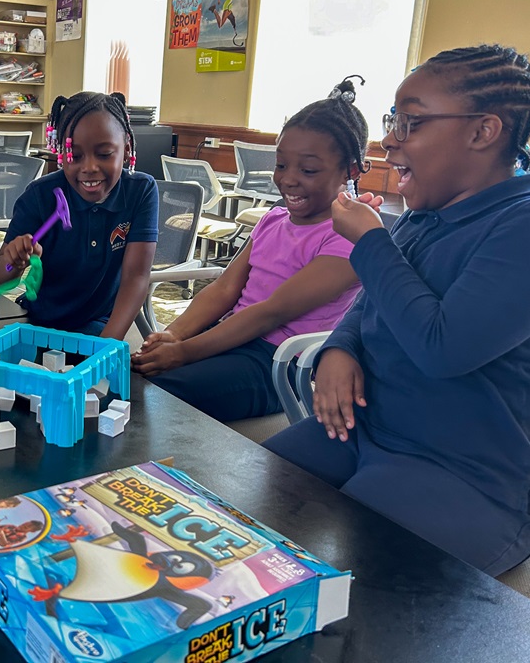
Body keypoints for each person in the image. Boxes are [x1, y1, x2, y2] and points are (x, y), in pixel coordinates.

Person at [264, 44, 530, 577]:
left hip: (471, 474)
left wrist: (370, 243)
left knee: (360, 565)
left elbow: (443, 348)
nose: (390, 138)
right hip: (368, 430)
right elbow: (370, 301)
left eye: (411, 122)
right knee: (260, 491)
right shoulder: (422, 215)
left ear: (483, 131)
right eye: (393, 120)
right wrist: (340, 346)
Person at [132, 77, 375, 423]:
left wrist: (183, 353)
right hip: (232, 337)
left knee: (155, 395)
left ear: (350, 169)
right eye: (281, 165)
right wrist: (174, 334)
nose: (288, 179)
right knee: (131, 376)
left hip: (277, 363)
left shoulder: (349, 236)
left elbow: (270, 312)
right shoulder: (273, 219)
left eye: (307, 170)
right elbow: (223, 289)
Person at [0, 91, 158, 339]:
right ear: (60, 153)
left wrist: (105, 348)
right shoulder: (39, 196)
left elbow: (136, 277)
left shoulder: (141, 192)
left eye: (104, 154)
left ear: (126, 147)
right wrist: (14, 261)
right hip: (38, 322)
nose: (89, 168)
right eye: (75, 156)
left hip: (98, 325)